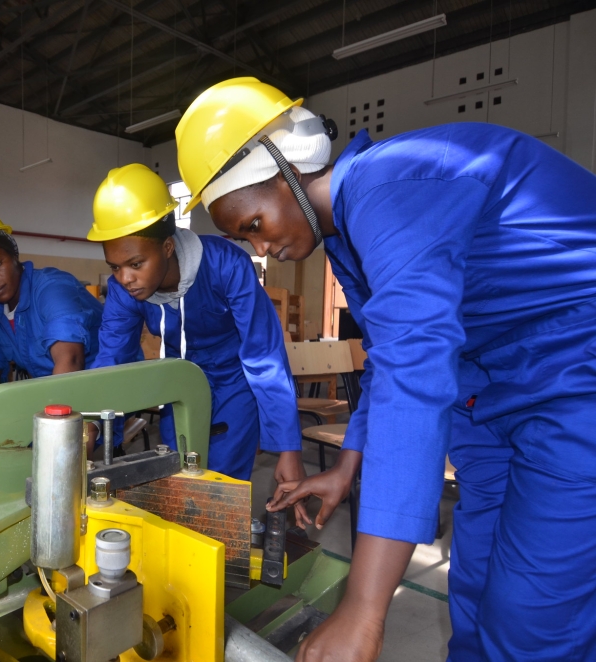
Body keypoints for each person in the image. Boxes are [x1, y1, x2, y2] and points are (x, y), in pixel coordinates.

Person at [175, 77, 596, 661]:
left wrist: (364, 608)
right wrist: (347, 468)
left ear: (286, 169)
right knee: (473, 594)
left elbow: (413, 376)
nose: (259, 249)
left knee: (532, 619)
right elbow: (386, 364)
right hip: (497, 390)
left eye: (253, 226)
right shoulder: (348, 235)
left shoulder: (390, 188)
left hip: (577, 375)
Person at [86, 163, 306, 492]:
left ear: (167, 248)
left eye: (135, 264)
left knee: (223, 488)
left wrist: (289, 448)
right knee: (181, 481)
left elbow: (264, 354)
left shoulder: (227, 265)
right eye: (114, 267)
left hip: (235, 382)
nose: (125, 278)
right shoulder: (123, 290)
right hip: (180, 384)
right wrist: (89, 422)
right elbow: (112, 358)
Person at [0, 207, 103, 397]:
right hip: (54, 394)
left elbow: (71, 360)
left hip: (103, 389)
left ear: (14, 255)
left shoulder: (52, 289)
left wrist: (50, 420)